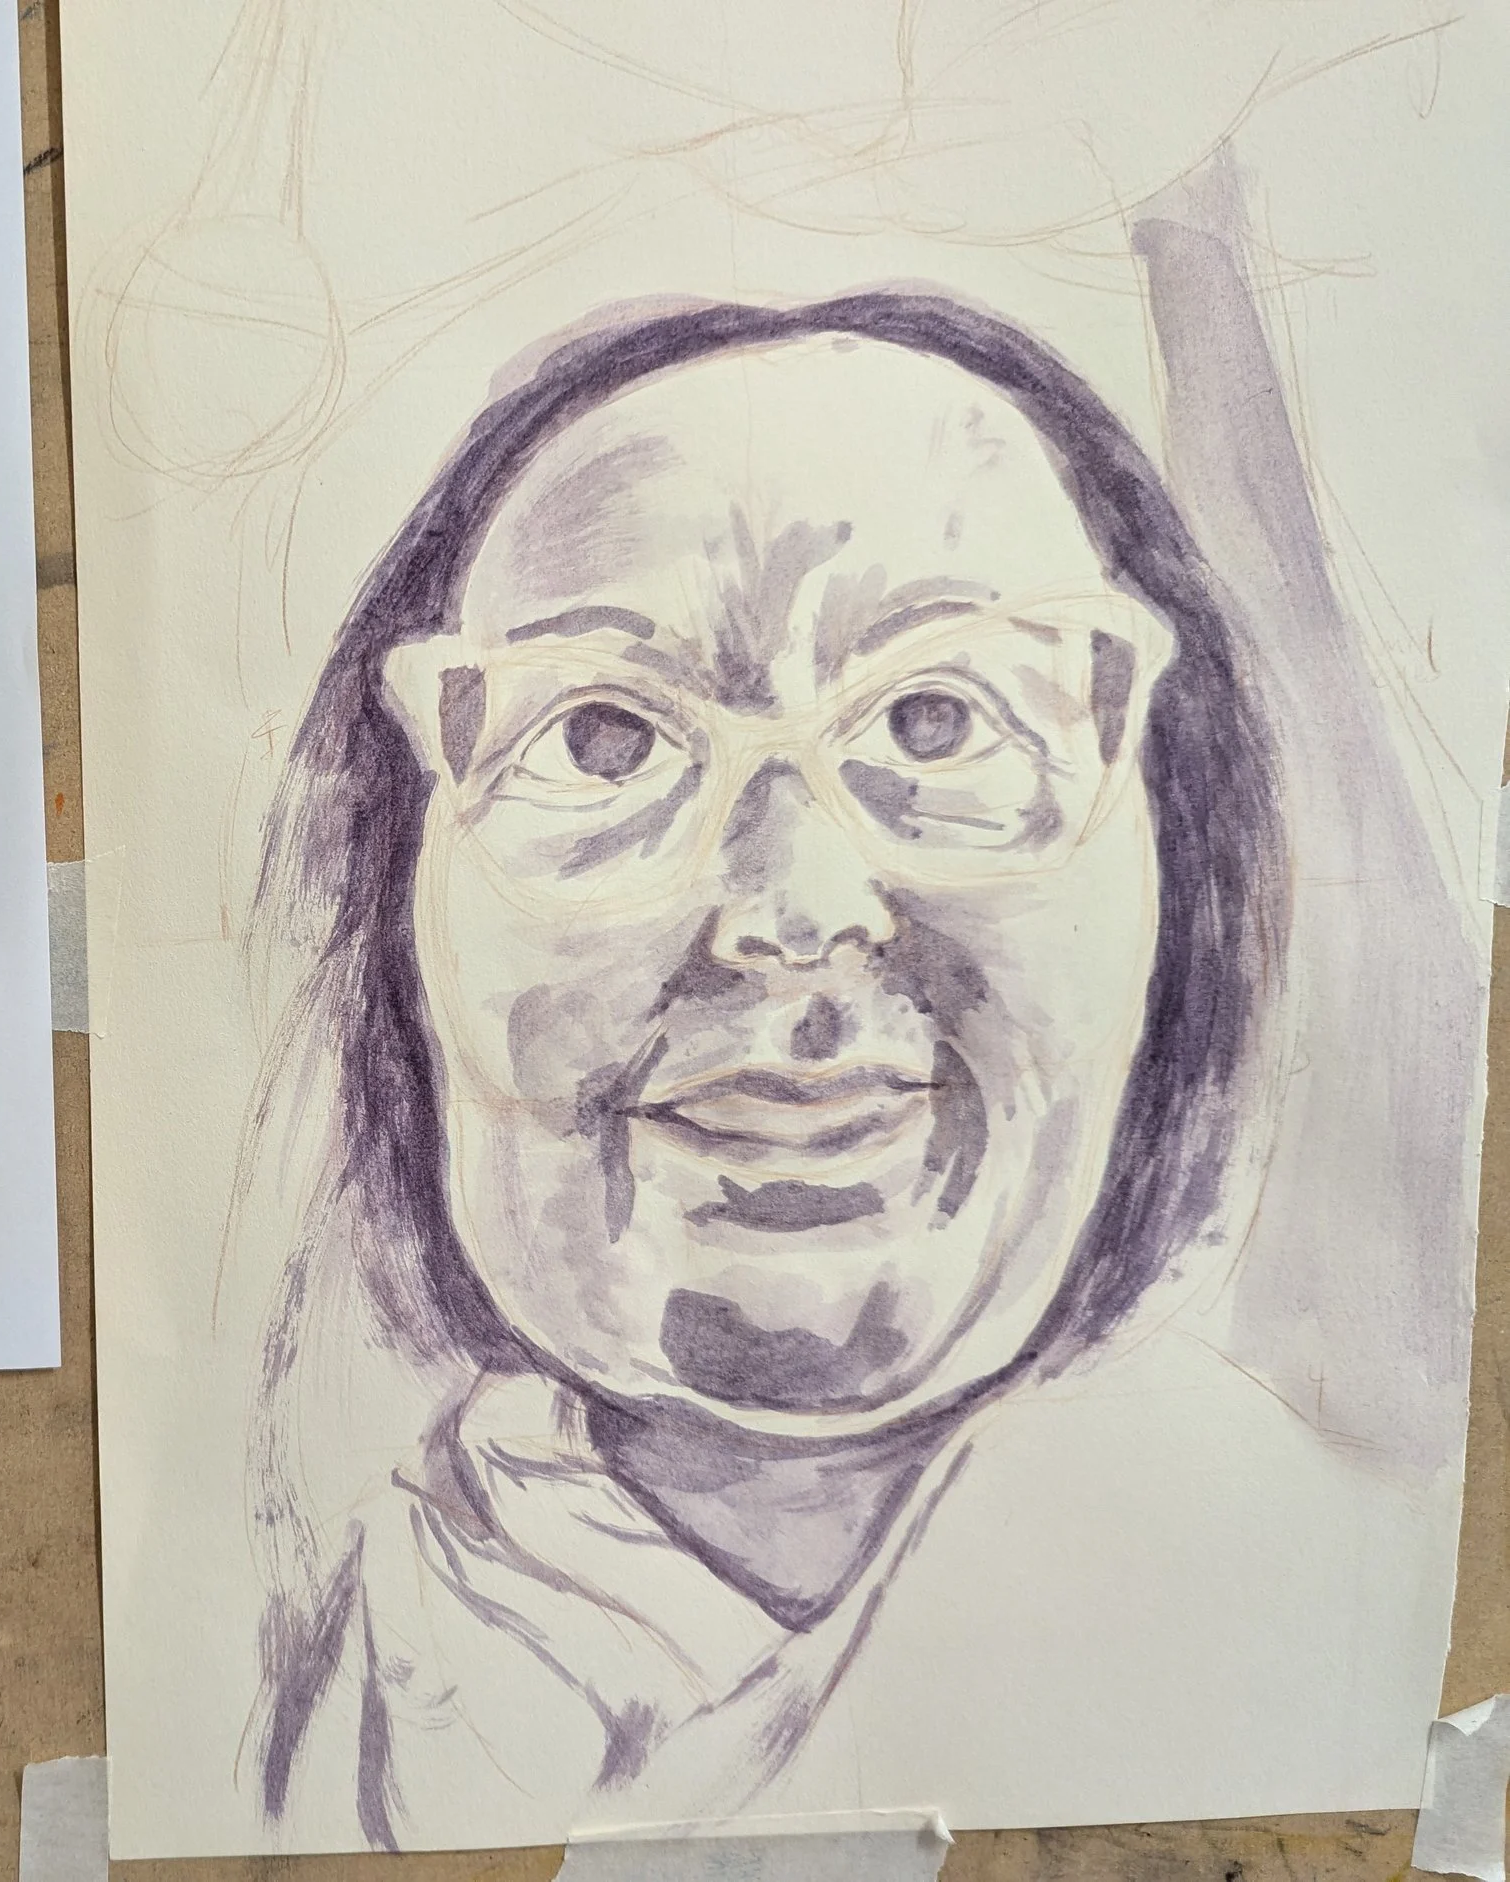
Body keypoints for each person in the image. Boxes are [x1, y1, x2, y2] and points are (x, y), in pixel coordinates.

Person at [237, 293, 1404, 1847]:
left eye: (940, 720)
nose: (791, 910)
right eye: (600, 741)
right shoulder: (311, 1685)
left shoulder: (1312, 1601)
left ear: (1170, 858)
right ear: (399, 892)